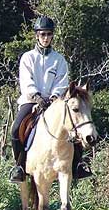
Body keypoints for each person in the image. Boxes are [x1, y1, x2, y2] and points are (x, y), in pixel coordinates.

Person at [9, 16, 91, 183]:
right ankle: (19, 167)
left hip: (55, 103)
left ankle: (77, 165)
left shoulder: (59, 59)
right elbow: (26, 80)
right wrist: (37, 97)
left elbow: (62, 82)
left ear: (52, 36)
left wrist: (54, 97)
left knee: (74, 126)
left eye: (49, 34)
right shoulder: (28, 57)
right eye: (42, 34)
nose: (46, 38)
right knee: (16, 128)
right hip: (31, 100)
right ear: (37, 36)